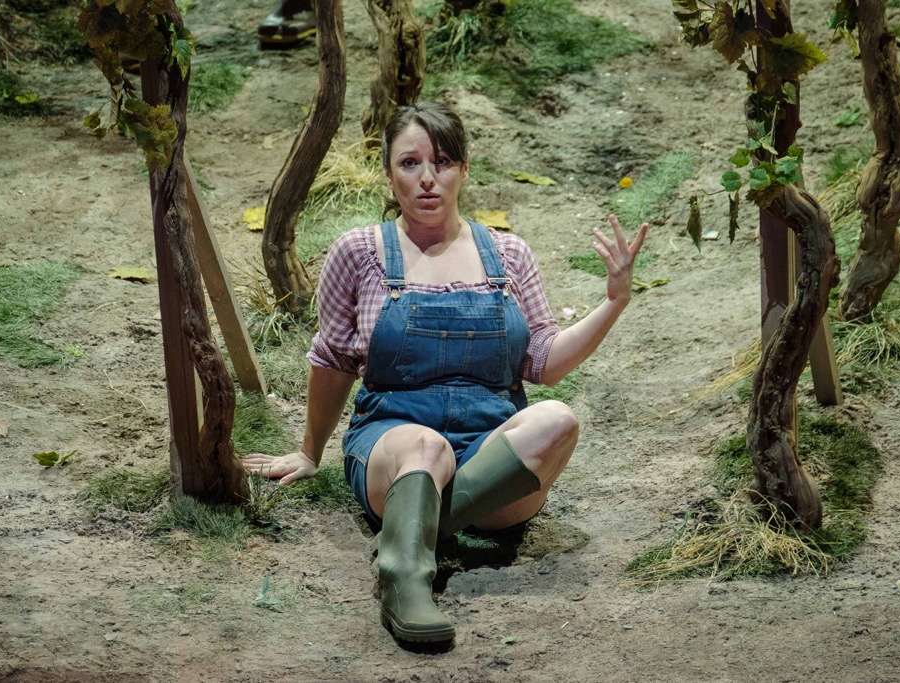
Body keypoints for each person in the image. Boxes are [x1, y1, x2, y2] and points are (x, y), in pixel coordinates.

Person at [242, 101, 648, 645]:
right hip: (396, 444)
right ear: (389, 174)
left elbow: (544, 363)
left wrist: (615, 302)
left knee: (557, 419)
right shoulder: (359, 252)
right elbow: (333, 361)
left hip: (493, 463)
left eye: (443, 162)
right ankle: (405, 579)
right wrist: (310, 452)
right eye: (410, 163)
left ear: (464, 169)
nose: (427, 178)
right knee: (426, 446)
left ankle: (413, 532)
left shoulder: (508, 254)